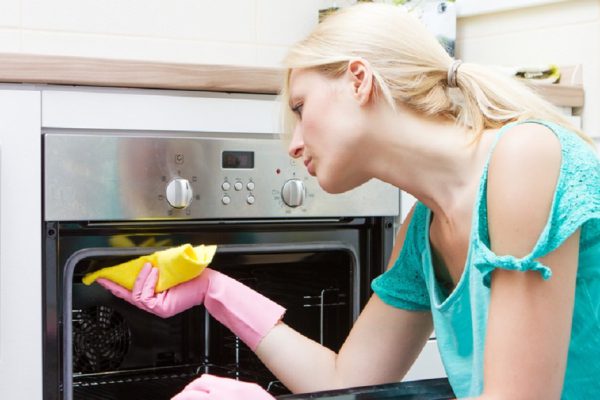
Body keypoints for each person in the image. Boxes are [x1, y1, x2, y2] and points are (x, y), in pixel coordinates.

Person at [98, 3, 600, 399]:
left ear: (359, 80)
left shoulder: (525, 157)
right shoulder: (423, 229)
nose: (293, 144)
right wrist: (212, 288)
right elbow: (344, 380)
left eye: (300, 108)